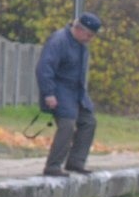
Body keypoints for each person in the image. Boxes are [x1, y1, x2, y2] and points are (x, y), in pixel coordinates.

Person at [35, 12, 102, 177]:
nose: (90, 39)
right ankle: (53, 166)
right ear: (79, 29)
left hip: (76, 93)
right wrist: (49, 93)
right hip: (60, 91)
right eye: (89, 35)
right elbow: (44, 68)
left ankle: (76, 162)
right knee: (67, 126)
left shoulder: (79, 44)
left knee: (89, 122)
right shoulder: (59, 41)